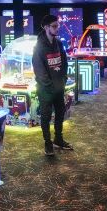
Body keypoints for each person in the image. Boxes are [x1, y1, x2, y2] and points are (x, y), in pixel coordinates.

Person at [33, 14, 74, 156]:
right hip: (46, 90)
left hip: (59, 87)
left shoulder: (59, 43)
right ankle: (47, 143)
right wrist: (50, 85)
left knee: (60, 113)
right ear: (46, 27)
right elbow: (39, 70)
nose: (57, 28)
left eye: (58, 26)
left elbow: (64, 63)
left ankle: (58, 138)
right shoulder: (39, 47)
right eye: (54, 26)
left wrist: (63, 80)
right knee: (45, 116)